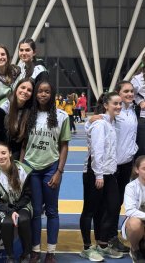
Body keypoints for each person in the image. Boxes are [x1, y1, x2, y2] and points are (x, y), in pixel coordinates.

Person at [86, 81, 138, 253]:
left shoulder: (133, 111)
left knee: (116, 203)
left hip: (126, 165)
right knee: (103, 205)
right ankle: (103, 239)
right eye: (126, 91)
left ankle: (109, 238)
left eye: (132, 91)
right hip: (110, 167)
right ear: (118, 93)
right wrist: (89, 121)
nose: (130, 94)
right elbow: (93, 125)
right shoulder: (112, 114)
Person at [23, 80, 70, 263]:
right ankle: (35, 250)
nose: (43, 94)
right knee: (35, 211)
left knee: (51, 211)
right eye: (40, 91)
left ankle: (51, 252)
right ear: (35, 94)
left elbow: (64, 146)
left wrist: (59, 171)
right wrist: (21, 168)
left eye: (47, 91)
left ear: (52, 94)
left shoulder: (62, 116)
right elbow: (24, 144)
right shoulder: (29, 115)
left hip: (51, 167)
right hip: (31, 168)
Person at [79, 92, 124, 261]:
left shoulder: (113, 123)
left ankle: (102, 244)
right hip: (95, 172)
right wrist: (99, 175)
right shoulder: (99, 124)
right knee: (90, 210)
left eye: (120, 104)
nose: (119, 106)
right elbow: (97, 151)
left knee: (112, 208)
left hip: (109, 172)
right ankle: (86, 247)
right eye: (115, 104)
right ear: (106, 105)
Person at [0, 143, 32, 263]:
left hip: (22, 205)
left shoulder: (24, 170)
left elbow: (27, 195)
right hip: (4, 207)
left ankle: (26, 254)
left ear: (10, 153)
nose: (1, 156)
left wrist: (16, 208)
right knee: (7, 223)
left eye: (3, 153)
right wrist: (10, 211)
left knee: (23, 220)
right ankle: (10, 257)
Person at [0, 78, 34, 158]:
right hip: (0, 150)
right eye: (23, 87)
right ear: (16, 88)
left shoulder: (30, 110)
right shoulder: (3, 107)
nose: (25, 91)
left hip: (17, 151)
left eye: (29, 90)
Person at [121, 155, 145, 262]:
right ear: (136, 170)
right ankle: (135, 249)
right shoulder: (131, 187)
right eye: (144, 169)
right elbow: (130, 211)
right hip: (138, 223)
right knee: (135, 223)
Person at [131, 53, 145, 158]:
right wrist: (140, 101)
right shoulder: (137, 79)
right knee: (142, 149)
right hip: (142, 117)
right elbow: (131, 94)